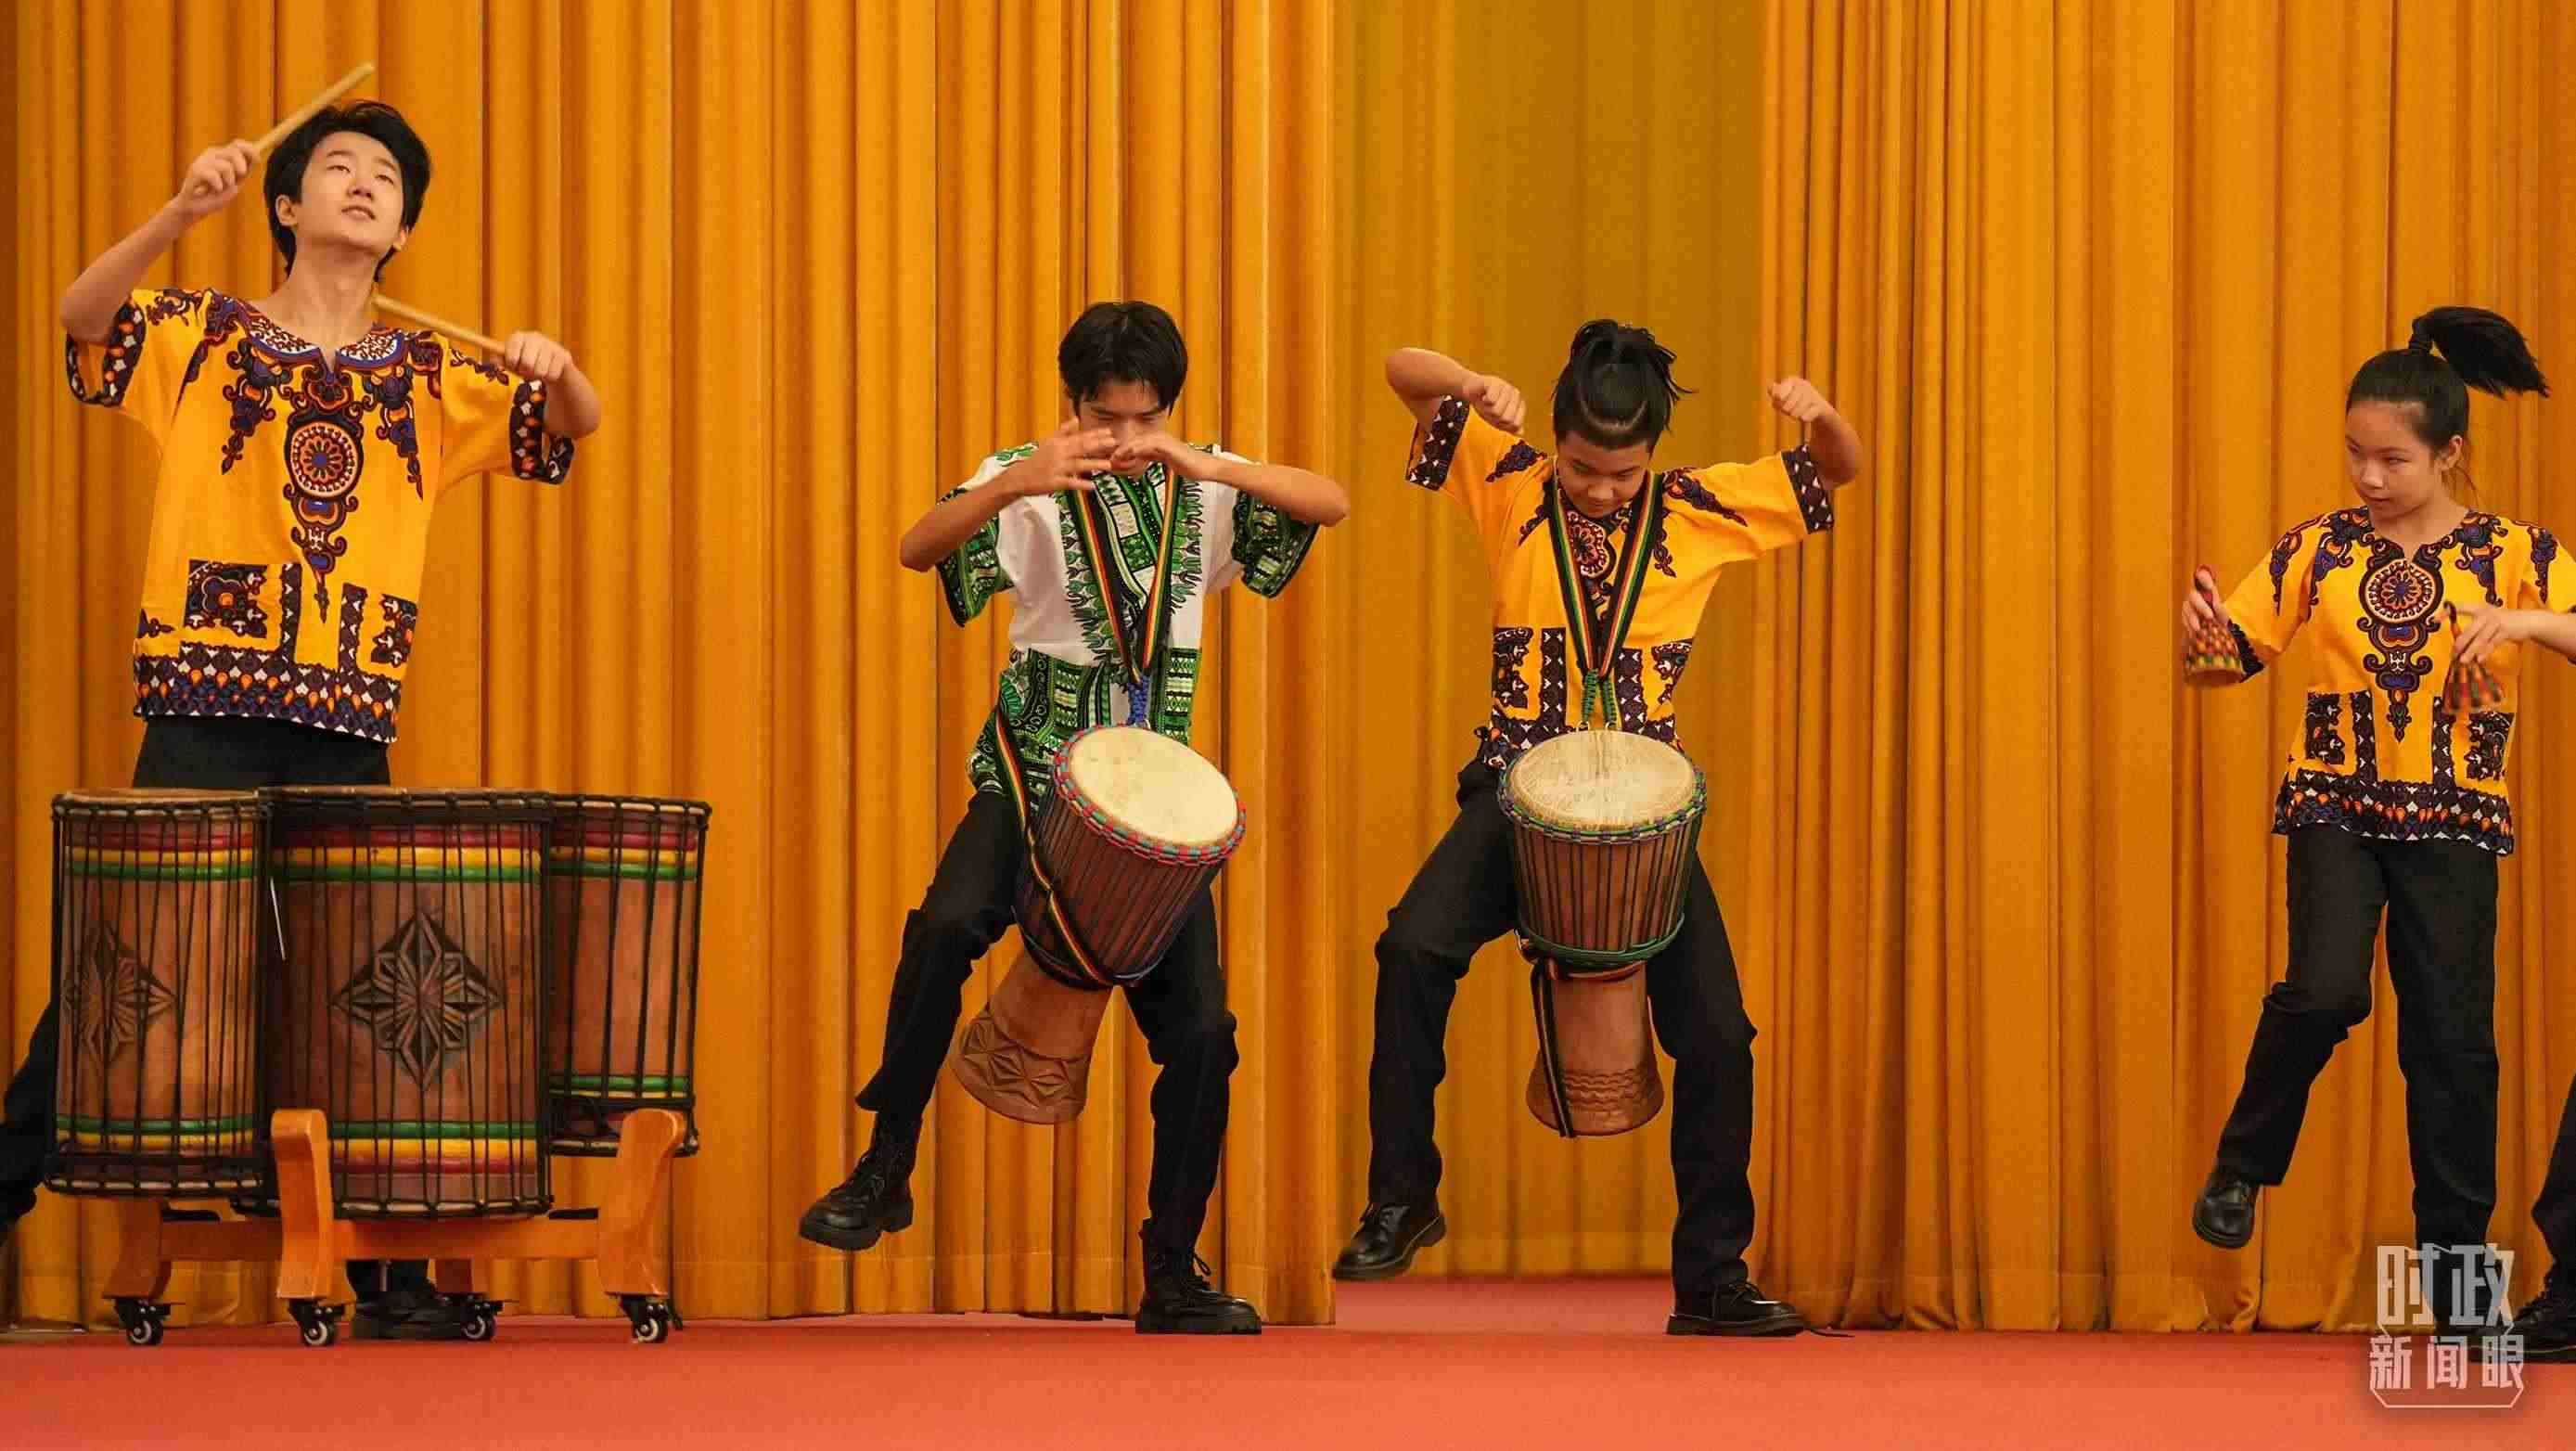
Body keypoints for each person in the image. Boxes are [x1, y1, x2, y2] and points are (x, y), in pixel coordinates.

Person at [0, 101, 602, 1340]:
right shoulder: (205, 336)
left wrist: (562, 368)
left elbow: (567, 430)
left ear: (403, 228)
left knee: (352, 997)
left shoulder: (428, 373)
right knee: (127, 973)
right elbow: (83, 319)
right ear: (285, 205)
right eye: (337, 167)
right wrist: (179, 213)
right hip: (203, 703)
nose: (364, 184)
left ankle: (376, 1273)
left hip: (344, 715)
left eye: (387, 178)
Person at [797, 302, 1346, 1334]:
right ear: (1073, 405)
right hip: (1032, 770)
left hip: (1147, 803)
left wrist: (1202, 463)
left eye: (1145, 418)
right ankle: (883, 1165)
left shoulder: (1203, 484)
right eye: (1105, 418)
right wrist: (1014, 482)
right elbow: (917, 547)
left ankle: (1171, 1269)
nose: (1126, 438)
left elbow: (1331, 501)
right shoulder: (1026, 479)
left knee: (1203, 1033)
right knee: (944, 926)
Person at [1334, 321, 1864, 1336]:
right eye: (1582, 468)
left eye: (1623, 473)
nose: (1601, 490)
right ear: (1557, 444)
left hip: (1641, 815)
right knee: (1409, 949)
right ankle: (1401, 1197)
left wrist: (1822, 417)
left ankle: (1711, 1278)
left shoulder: (1700, 507)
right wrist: (1469, 378)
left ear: (1652, 454)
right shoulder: (1509, 480)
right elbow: (1400, 370)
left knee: (1719, 1036)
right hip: (1514, 786)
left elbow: (1834, 470)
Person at [2183, 307, 2573, 1334]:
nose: (2367, 476)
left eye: (2391, 458)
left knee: (2452, 1048)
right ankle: (2241, 1164)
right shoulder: (2317, 548)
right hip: (2334, 802)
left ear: (2448, 452)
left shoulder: (2513, 552)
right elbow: (2224, 663)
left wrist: (2527, 621)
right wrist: (2200, 641)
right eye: (2354, 453)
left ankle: (2461, 1299)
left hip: (2455, 816)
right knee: (2320, 991)